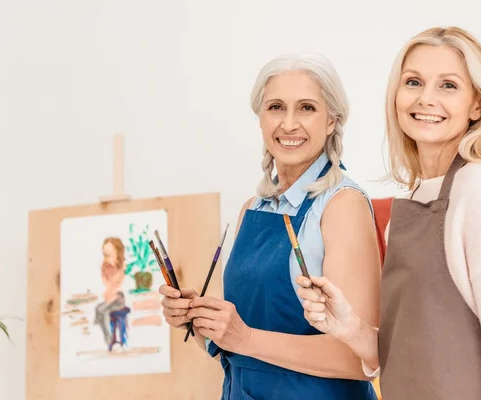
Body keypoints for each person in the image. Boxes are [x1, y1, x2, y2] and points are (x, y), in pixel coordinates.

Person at [296, 26, 481, 400]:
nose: (426, 99)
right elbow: (411, 353)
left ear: (478, 105)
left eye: (448, 85)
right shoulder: (415, 201)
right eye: (413, 82)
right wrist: (347, 326)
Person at [159, 53, 381, 399]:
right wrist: (199, 321)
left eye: (306, 108)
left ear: (331, 121)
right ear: (261, 118)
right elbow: (241, 352)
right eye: (276, 107)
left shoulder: (342, 206)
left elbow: (359, 359)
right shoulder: (254, 207)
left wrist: (244, 337)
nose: (289, 124)